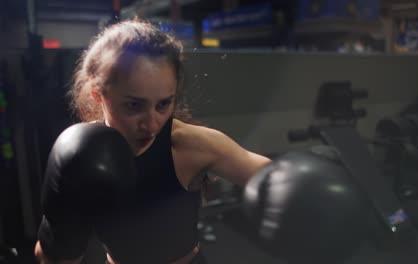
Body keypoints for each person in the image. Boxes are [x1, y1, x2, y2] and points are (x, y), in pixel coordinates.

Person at [34, 18, 271, 264]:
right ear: (98, 94)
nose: (152, 123)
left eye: (163, 104)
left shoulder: (188, 144)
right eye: (134, 105)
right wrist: (57, 238)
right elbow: (54, 260)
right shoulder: (81, 156)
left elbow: (275, 178)